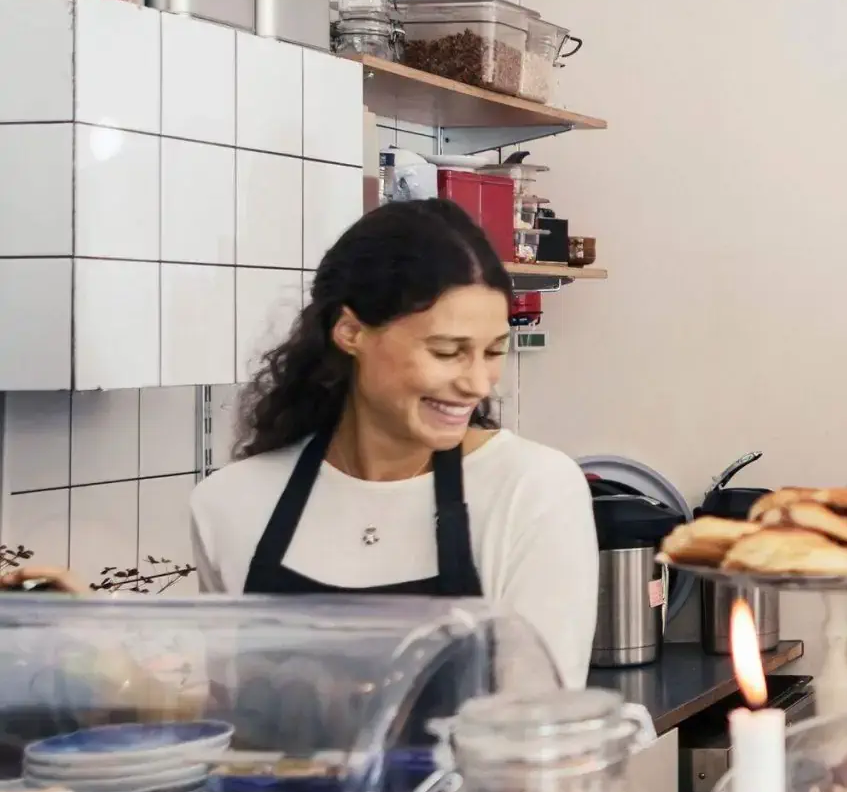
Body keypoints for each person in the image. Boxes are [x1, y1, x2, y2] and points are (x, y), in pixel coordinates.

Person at [187, 199, 599, 685]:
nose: (478, 384)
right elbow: (227, 711)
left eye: (493, 352)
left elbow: (537, 721)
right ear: (350, 332)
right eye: (446, 352)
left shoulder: (531, 491)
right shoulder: (230, 504)